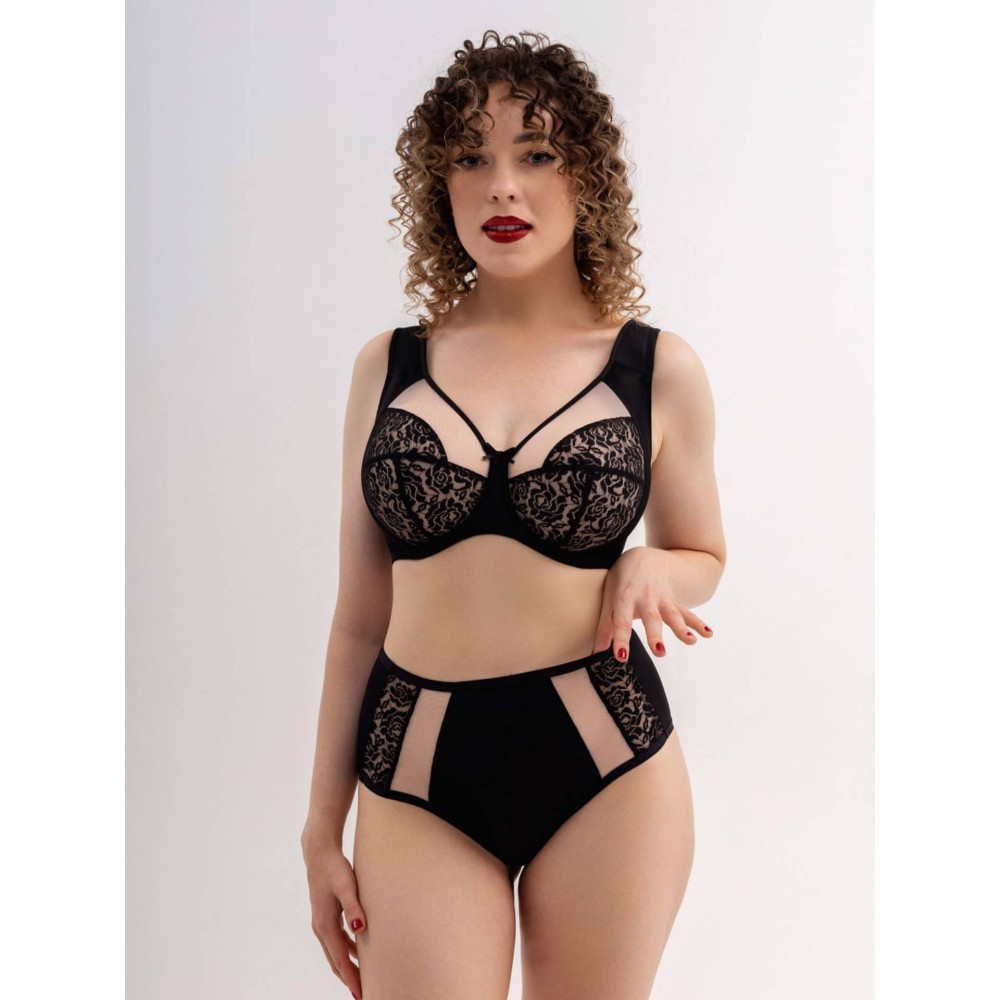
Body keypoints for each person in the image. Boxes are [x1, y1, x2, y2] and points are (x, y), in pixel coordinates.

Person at [301, 30, 726, 1000]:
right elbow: (358, 618)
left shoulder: (659, 370)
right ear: (437, 185)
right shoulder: (386, 369)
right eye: (470, 157)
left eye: (535, 154)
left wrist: (655, 566)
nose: (502, 186)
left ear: (587, 178)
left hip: (606, 760)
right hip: (416, 765)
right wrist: (321, 831)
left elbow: (702, 551)